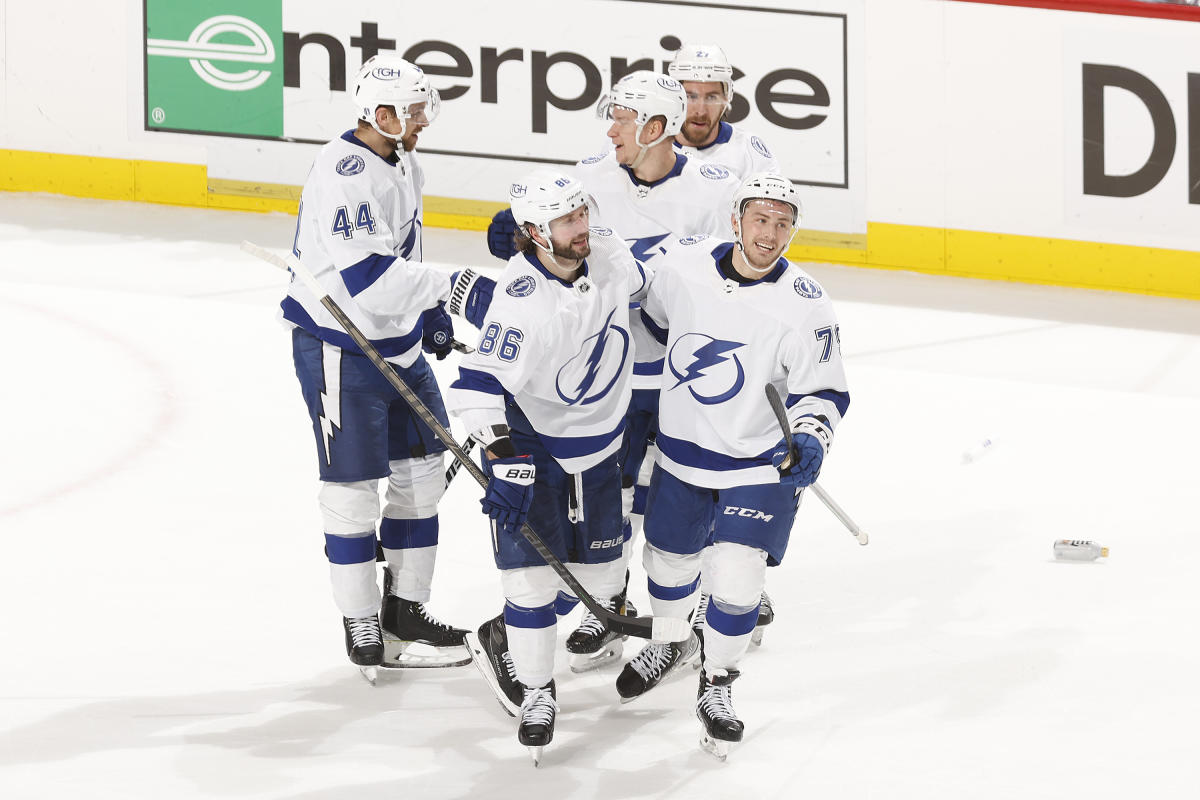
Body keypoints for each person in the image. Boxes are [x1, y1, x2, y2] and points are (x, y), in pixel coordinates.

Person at [625, 172, 850, 760]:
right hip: (680, 452)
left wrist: (812, 435)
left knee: (737, 577)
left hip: (758, 463)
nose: (770, 233)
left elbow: (823, 390)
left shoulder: (806, 305)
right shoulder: (684, 266)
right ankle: (672, 641)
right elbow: (637, 305)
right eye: (760, 219)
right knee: (667, 564)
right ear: (736, 220)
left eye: (783, 223)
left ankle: (718, 684)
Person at [283, 54, 478, 681]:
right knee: (351, 495)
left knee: (423, 480)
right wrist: (457, 290)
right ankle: (361, 619)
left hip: (399, 347)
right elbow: (367, 279)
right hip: (343, 349)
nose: (422, 119)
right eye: (412, 110)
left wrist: (428, 316)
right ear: (379, 113)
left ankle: (405, 613)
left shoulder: (405, 159)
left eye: (423, 107)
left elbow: (403, 250)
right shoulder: (345, 173)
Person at [446, 169, 651, 764]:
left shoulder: (605, 255)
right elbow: (476, 387)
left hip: (602, 444)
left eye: (581, 214)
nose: (581, 227)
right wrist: (503, 458)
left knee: (604, 579)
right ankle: (537, 689)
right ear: (535, 233)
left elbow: (636, 275)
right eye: (566, 221)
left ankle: (505, 631)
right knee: (533, 581)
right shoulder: (522, 304)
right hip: (538, 448)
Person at [668, 43, 782, 179]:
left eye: (711, 97)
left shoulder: (748, 151)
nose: (701, 111)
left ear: (726, 98)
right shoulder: (650, 148)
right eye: (690, 96)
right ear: (674, 97)